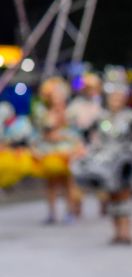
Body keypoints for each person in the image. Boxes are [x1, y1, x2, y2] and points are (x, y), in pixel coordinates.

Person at [71, 67, 132, 244]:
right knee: (112, 195)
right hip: (106, 159)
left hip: (126, 159)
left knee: (124, 194)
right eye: (112, 97)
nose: (115, 100)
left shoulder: (131, 116)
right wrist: (87, 148)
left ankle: (126, 231)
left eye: (119, 97)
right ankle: (117, 232)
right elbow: (86, 134)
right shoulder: (101, 117)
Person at [31, 77, 84, 224]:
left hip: (67, 150)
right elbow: (41, 131)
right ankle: (52, 213)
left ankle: (70, 211)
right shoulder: (43, 112)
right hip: (49, 151)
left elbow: (76, 132)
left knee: (68, 184)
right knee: (51, 184)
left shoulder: (70, 112)